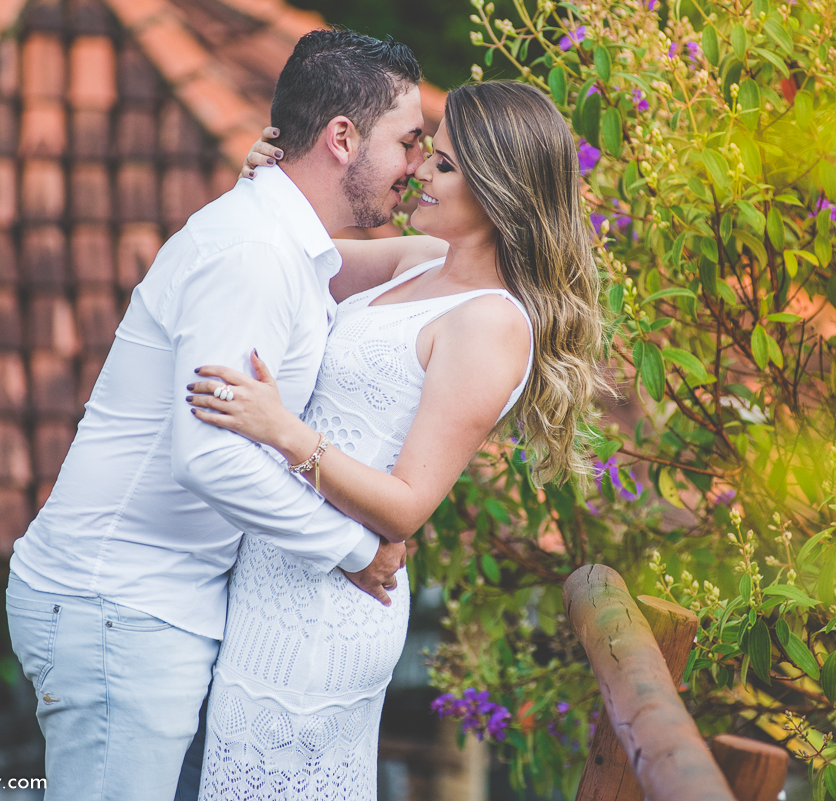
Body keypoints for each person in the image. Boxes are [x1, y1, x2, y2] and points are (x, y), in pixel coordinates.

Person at [4, 30, 428, 801]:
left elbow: (441, 261)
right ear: (342, 139)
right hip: (120, 607)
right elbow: (209, 455)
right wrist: (352, 548)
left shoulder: (283, 243)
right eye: (409, 142)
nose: (418, 167)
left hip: (145, 606)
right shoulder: (256, 253)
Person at [185, 80, 605, 799]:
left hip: (332, 602)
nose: (417, 172)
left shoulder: (493, 325)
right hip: (278, 575)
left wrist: (284, 431)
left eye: (441, 165)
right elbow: (290, 251)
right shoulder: (420, 262)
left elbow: (407, 506)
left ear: (497, 190)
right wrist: (262, 184)